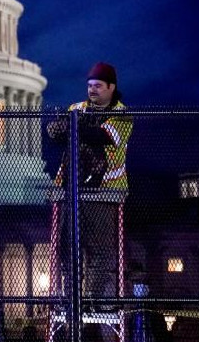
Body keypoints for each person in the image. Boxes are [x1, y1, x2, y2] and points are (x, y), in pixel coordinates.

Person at [47, 62, 133, 311]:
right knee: (68, 249)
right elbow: (56, 133)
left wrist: (75, 127)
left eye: (97, 86)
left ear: (111, 87)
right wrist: (64, 128)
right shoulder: (77, 108)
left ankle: (90, 301)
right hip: (71, 190)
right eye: (89, 86)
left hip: (104, 192)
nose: (92, 91)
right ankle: (70, 300)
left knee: (100, 252)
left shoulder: (121, 114)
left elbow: (104, 137)